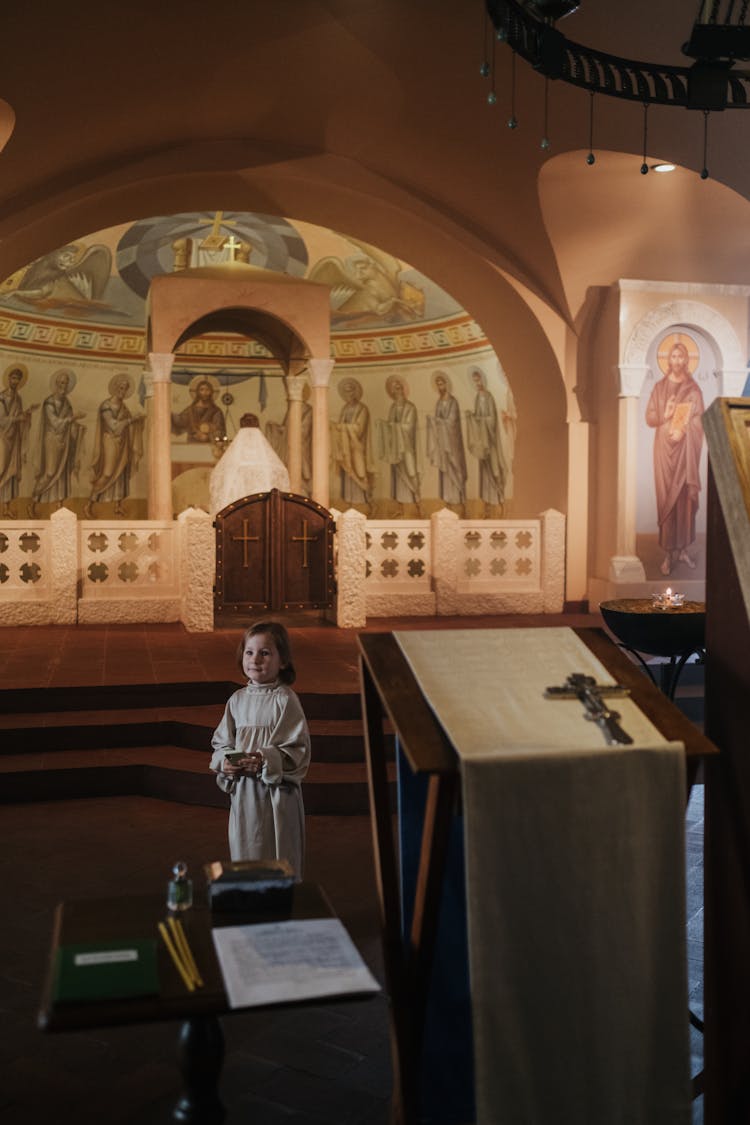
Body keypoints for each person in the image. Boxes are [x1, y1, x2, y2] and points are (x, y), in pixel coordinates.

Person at [209, 622, 311, 880]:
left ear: (283, 660)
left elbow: (297, 750)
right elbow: (221, 743)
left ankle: (280, 909)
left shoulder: (285, 700)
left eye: (265, 653)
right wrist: (225, 762)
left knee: (277, 856)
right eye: (249, 652)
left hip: (277, 797)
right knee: (247, 852)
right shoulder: (237, 700)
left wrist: (267, 760)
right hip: (246, 796)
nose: (255, 659)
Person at [645, 339, 705, 576]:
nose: (677, 361)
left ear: (687, 360)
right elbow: (650, 418)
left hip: (686, 451)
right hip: (663, 450)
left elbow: (700, 419)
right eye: (674, 357)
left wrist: (685, 428)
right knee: (666, 500)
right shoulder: (659, 388)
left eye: (681, 357)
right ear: (667, 360)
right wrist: (666, 414)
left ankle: (682, 550)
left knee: (684, 500)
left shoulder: (693, 389)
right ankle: (668, 553)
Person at [84, 373, 145, 518]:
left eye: (125, 389)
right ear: (115, 388)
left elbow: (128, 426)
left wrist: (138, 421)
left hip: (123, 443)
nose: (122, 391)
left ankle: (118, 506)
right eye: (120, 388)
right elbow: (114, 426)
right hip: (110, 442)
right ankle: (89, 504)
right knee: (107, 473)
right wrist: (132, 420)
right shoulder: (106, 406)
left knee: (121, 474)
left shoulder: (124, 407)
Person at [29, 368, 85, 515]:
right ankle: (33, 501)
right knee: (50, 472)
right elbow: (55, 423)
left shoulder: (67, 403)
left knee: (63, 473)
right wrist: (72, 419)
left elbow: (68, 424)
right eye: (61, 383)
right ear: (55, 383)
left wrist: (77, 427)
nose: (63, 386)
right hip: (52, 441)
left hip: (64, 442)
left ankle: (60, 507)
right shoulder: (49, 402)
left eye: (66, 384)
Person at [466, 366, 505, 514]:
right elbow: (478, 417)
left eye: (478, 380)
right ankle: (487, 505)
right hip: (482, 443)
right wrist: (472, 416)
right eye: (474, 381)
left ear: (483, 380)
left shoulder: (488, 397)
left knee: (493, 469)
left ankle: (497, 503)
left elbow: (492, 419)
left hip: (490, 441)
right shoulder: (477, 397)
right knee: (484, 474)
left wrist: (479, 419)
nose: (477, 383)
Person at [377, 374, 420, 507]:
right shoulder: (393, 407)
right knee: (397, 475)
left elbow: (409, 427)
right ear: (392, 392)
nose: (398, 391)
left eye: (400, 388)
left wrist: (394, 426)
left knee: (411, 471)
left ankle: (416, 503)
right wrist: (383, 425)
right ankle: (399, 506)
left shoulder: (410, 407)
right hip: (395, 449)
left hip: (406, 447)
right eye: (395, 389)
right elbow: (390, 426)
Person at [0, 364, 37, 518]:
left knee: (11, 474)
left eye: (18, 379)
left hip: (14, 440)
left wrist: (27, 413)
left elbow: (19, 417)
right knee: (1, 469)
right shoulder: (1, 398)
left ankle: (6, 508)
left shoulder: (18, 398)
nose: (15, 381)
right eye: (13, 378)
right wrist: (18, 418)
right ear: (8, 379)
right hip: (2, 439)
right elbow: (1, 420)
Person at [426, 369, 467, 506]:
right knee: (445, 472)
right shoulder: (439, 402)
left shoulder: (453, 402)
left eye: (441, 384)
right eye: (438, 384)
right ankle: (447, 501)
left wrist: (437, 421)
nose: (440, 387)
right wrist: (432, 421)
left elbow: (452, 422)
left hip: (452, 444)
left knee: (454, 467)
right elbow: (438, 421)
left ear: (446, 384)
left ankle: (458, 500)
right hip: (443, 444)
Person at [332, 377, 374, 505]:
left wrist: (342, 427)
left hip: (356, 446)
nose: (348, 394)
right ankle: (349, 501)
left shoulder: (362, 409)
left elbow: (359, 428)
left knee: (359, 471)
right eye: (345, 391)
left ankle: (362, 501)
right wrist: (337, 426)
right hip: (346, 447)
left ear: (355, 392)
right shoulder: (345, 408)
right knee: (348, 471)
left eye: (350, 391)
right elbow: (340, 425)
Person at [171, 375, 226, 443]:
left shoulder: (216, 411)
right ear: (197, 392)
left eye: (207, 390)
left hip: (209, 445)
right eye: (202, 389)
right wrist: (169, 415)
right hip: (192, 443)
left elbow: (220, 431)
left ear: (211, 392)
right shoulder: (191, 410)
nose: (204, 393)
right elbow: (180, 421)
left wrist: (208, 436)